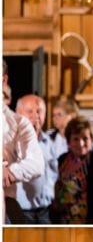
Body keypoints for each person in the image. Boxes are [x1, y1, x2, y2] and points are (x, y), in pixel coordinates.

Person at [2, 61, 44, 224]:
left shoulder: (19, 123)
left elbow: (36, 164)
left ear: (3, 80)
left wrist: (7, 172)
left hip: (5, 203)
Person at [51, 116, 93, 223]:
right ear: (69, 141)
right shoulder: (62, 159)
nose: (81, 143)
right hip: (65, 218)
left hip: (90, 219)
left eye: (85, 138)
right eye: (76, 139)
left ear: (92, 139)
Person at [15, 94, 58, 224]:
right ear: (18, 114)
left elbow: (54, 175)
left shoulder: (49, 142)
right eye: (30, 111)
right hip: (21, 211)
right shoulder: (11, 142)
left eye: (39, 111)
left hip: (47, 211)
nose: (36, 116)